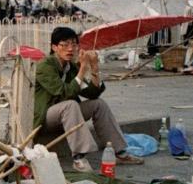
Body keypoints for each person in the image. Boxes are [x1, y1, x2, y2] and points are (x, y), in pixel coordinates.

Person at [34, 26, 145, 172]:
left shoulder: (70, 66)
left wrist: (94, 67)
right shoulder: (45, 65)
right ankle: (79, 157)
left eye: (73, 44)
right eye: (65, 45)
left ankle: (119, 152)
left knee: (98, 104)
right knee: (70, 104)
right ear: (54, 47)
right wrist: (82, 69)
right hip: (45, 117)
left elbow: (93, 94)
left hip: (67, 114)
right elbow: (64, 92)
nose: (70, 49)